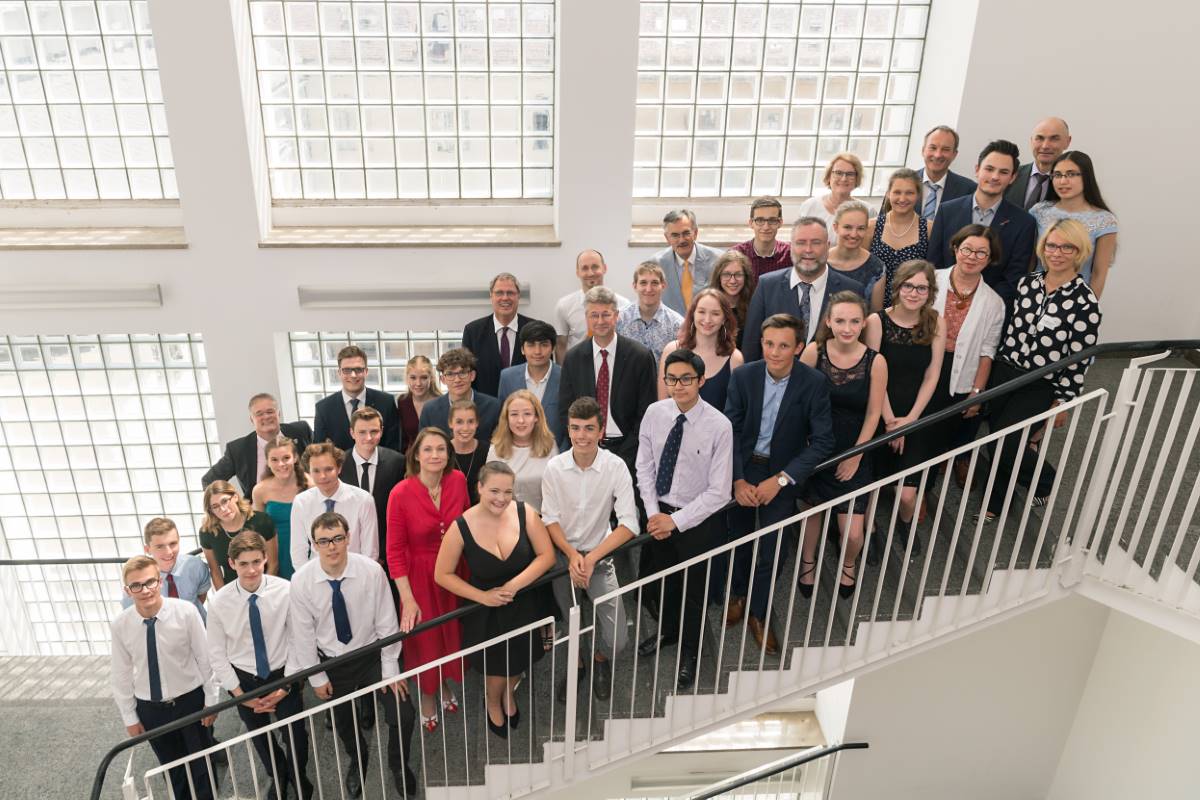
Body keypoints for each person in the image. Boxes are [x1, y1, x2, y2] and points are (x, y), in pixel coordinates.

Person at [286, 512, 417, 799]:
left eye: (337, 538)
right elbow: (302, 635)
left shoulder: (371, 571)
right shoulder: (301, 581)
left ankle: (398, 763)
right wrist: (317, 677)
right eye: (323, 541)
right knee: (343, 722)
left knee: (403, 712)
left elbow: (387, 622)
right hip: (331, 661)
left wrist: (390, 670)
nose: (331, 546)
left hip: (371, 653)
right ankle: (358, 759)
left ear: (348, 539)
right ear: (314, 544)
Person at [725, 314, 835, 655]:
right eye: (769, 343)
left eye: (784, 345)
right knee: (740, 542)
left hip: (782, 476)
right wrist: (737, 479)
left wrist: (782, 479)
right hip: (744, 470)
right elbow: (729, 430)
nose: (774, 352)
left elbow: (822, 442)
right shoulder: (744, 376)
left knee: (772, 552)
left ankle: (759, 613)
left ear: (799, 347)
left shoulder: (813, 382)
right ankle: (739, 595)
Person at [980, 219, 1101, 521]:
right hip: (1004, 372)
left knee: (1006, 444)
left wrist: (1063, 402)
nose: (1056, 253)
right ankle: (1004, 498)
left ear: (1079, 251)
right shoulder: (1027, 284)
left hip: (1039, 383)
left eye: (1066, 247)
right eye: (1051, 245)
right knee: (997, 438)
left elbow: (1078, 359)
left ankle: (1034, 484)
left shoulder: (1085, 302)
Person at [434, 462, 556, 738]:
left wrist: (514, 585)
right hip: (485, 612)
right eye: (494, 491)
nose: (501, 498)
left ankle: (509, 695)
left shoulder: (526, 513)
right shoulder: (460, 526)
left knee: (520, 658)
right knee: (495, 666)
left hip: (524, 603)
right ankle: (493, 702)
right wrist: (482, 597)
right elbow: (442, 574)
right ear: (479, 488)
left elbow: (546, 556)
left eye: (507, 492)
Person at [636, 349, 733, 690]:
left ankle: (690, 651)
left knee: (693, 592)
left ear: (701, 380)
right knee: (657, 586)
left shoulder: (719, 426)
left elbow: (719, 492)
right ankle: (669, 631)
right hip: (657, 514)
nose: (678, 386)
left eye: (686, 379)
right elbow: (644, 467)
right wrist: (653, 514)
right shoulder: (654, 413)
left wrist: (675, 522)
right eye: (672, 379)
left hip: (696, 522)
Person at [541, 396, 639, 702]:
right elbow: (550, 520)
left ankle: (599, 659)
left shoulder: (616, 466)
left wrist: (592, 558)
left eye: (588, 428)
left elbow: (629, 524)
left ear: (601, 432)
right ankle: (578, 665)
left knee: (618, 637)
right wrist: (572, 557)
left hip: (601, 554)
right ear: (568, 429)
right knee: (570, 623)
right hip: (563, 555)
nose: (581, 435)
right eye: (575, 428)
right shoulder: (555, 467)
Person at [207, 532, 312, 800]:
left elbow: (298, 638)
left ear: (266, 558)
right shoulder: (219, 602)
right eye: (243, 564)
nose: (251, 570)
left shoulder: (286, 590)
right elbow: (217, 654)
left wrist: (286, 686)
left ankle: (299, 778)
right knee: (260, 738)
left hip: (282, 674)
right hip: (245, 681)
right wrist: (241, 696)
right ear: (231, 564)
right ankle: (278, 777)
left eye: (256, 561)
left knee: (296, 735)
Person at [798, 293, 887, 599]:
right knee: (813, 512)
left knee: (853, 533)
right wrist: (806, 445)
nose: (846, 328)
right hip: (817, 446)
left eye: (853, 321)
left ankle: (848, 562)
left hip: (854, 449)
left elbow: (874, 412)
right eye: (839, 321)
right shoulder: (814, 352)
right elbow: (797, 402)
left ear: (863, 323)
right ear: (828, 322)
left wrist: (855, 457)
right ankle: (807, 562)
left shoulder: (876, 361)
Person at [110, 554, 218, 800]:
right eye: (136, 585)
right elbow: (121, 673)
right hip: (150, 709)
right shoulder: (121, 625)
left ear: (159, 582)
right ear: (127, 590)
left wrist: (212, 700)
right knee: (172, 769)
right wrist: (129, 716)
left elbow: (205, 658)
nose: (145, 590)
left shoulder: (186, 612)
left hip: (191, 700)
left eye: (150, 582)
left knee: (202, 764)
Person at [386, 427, 469, 733]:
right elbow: (394, 551)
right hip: (419, 578)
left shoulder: (458, 481)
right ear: (416, 455)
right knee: (426, 640)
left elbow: (467, 524)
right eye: (428, 450)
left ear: (448, 455)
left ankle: (445, 684)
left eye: (441, 450)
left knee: (450, 635)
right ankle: (428, 694)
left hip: (454, 573)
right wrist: (407, 598)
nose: (435, 455)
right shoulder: (400, 493)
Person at [864, 260, 946, 550]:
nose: (913, 292)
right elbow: (874, 375)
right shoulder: (876, 322)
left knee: (907, 495)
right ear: (897, 288)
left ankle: (906, 523)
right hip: (879, 411)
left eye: (921, 287)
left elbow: (932, 374)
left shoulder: (935, 321)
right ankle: (870, 531)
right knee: (872, 485)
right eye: (908, 285)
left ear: (930, 291)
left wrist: (910, 420)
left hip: (917, 415)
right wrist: (889, 423)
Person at [930, 225, 1006, 487]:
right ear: (955, 249)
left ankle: (958, 458)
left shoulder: (994, 302)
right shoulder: (930, 280)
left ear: (990, 258)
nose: (972, 257)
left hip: (965, 368)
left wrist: (977, 392)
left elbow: (987, 352)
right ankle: (928, 468)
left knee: (961, 418)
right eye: (967, 249)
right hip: (928, 362)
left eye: (981, 252)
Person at [558, 285, 658, 475]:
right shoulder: (573, 358)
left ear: (616, 315)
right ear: (587, 318)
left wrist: (626, 454)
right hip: (585, 448)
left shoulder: (640, 356)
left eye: (606, 314)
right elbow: (565, 410)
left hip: (629, 451)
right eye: (594, 315)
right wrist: (585, 446)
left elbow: (647, 412)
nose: (600, 321)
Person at [928, 139, 1038, 309]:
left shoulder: (1024, 222)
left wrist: (979, 304)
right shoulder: (947, 211)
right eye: (989, 169)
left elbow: (1014, 277)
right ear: (977, 169)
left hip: (989, 310)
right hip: (940, 304)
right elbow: (934, 263)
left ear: (1012, 177)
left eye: (1003, 172)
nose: (994, 177)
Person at [742, 217, 865, 361]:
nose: (808, 250)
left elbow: (857, 349)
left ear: (828, 246)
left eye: (816, 243)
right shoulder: (767, 285)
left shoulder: (852, 290)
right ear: (791, 246)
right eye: (801, 243)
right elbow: (751, 345)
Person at [1030, 151, 1118, 296]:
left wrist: (1088, 309)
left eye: (1071, 174)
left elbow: (1098, 274)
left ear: (1086, 177)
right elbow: (1030, 262)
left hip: (1076, 300)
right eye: (1057, 175)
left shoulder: (1104, 220)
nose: (1063, 181)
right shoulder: (1039, 211)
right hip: (1035, 295)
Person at [290, 442, 378, 571]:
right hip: (315, 576)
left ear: (339, 468)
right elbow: (298, 551)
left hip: (356, 574)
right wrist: (308, 580)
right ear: (309, 471)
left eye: (328, 469)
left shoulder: (363, 500)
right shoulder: (301, 502)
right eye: (316, 471)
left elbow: (370, 552)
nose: (323, 476)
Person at [202, 392, 312, 494]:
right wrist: (235, 505)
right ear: (251, 419)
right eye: (259, 414)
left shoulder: (300, 431)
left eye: (270, 411)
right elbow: (208, 481)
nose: (266, 417)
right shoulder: (238, 449)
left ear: (278, 413)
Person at [659, 288, 744, 412]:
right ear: (693, 314)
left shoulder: (735, 359)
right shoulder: (671, 350)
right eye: (701, 312)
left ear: (724, 318)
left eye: (715, 313)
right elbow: (662, 404)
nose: (707, 319)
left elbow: (736, 410)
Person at [339, 407, 405, 562]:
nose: (368, 437)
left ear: (381, 431)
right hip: (347, 551)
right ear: (352, 432)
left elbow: (397, 512)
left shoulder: (398, 462)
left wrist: (382, 552)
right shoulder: (338, 463)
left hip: (386, 550)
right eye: (362, 432)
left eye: (374, 431)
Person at [312, 345, 401, 452]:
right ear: (339, 373)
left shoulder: (386, 402)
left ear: (366, 371)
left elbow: (393, 447)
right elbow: (319, 451)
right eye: (347, 370)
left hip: (381, 467)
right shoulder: (323, 408)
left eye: (358, 369)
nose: (353, 375)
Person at [460, 272, 534, 397]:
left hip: (525, 409)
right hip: (486, 410)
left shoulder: (534, 329)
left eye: (510, 293)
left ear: (518, 296)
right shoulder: (472, 332)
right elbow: (466, 376)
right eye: (499, 293)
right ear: (491, 296)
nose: (505, 298)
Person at [122, 517, 210, 618]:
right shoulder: (136, 582)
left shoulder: (196, 566)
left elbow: (201, 596)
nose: (168, 552)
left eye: (173, 544)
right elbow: (132, 616)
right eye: (160, 546)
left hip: (198, 626)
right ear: (148, 549)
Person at [554, 249, 633, 362]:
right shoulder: (564, 306)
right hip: (578, 369)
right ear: (578, 272)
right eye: (585, 268)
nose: (590, 273)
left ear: (604, 268)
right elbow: (561, 345)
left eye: (595, 267)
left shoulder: (624, 305)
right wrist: (563, 375)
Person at [487, 389, 559, 513]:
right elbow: (490, 492)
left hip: (543, 520)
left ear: (537, 417)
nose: (521, 420)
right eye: (514, 414)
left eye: (527, 414)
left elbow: (557, 492)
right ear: (506, 418)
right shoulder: (496, 448)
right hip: (505, 520)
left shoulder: (550, 446)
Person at [868, 168, 930, 310]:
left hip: (911, 308)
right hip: (873, 307)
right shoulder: (871, 226)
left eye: (909, 193)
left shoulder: (928, 229)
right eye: (897, 192)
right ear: (888, 194)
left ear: (918, 195)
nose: (902, 199)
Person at [200, 480, 278, 590]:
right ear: (210, 510)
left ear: (235, 497)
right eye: (215, 506)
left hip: (266, 587)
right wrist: (223, 599)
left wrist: (264, 592)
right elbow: (215, 572)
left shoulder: (262, 521)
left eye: (225, 501)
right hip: (232, 592)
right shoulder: (207, 532)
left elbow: (273, 563)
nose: (223, 509)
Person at [252, 434, 310, 580]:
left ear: (295, 458)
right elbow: (258, 533)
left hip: (308, 551)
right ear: (268, 462)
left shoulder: (311, 485)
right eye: (274, 460)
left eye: (286, 458)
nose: (281, 464)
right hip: (277, 554)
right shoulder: (260, 490)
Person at [418, 348, 502, 445]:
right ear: (442, 379)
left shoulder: (494, 407)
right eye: (450, 374)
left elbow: (501, 446)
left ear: (472, 375)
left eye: (462, 373)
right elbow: (424, 446)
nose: (457, 380)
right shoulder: (430, 410)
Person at [498, 320, 563, 445]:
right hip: (516, 453)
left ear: (553, 348)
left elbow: (570, 423)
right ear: (522, 349)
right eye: (531, 345)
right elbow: (502, 421)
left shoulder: (566, 377)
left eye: (544, 345)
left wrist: (560, 458)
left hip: (556, 454)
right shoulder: (507, 377)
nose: (537, 351)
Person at [653, 209, 722, 316]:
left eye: (686, 233)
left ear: (695, 233)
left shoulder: (718, 260)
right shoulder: (655, 265)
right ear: (667, 238)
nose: (681, 240)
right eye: (675, 235)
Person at [797, 152, 872, 245]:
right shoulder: (809, 206)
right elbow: (799, 244)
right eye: (838, 173)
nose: (844, 179)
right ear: (829, 176)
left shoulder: (868, 211)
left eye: (850, 174)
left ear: (857, 178)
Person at [617, 261, 685, 362]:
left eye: (654, 283)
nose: (648, 289)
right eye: (643, 283)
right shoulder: (619, 319)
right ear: (635, 286)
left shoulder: (677, 324)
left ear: (663, 285)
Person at [1006, 117, 1072, 210]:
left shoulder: (1073, 185)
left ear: (1067, 142)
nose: (1045, 146)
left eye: (1054, 139)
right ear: (1031, 141)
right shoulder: (1010, 175)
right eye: (1040, 138)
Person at [915, 125, 977, 220]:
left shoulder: (968, 190)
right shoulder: (902, 183)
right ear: (923, 150)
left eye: (945, 149)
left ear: (954, 155)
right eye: (933, 148)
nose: (938, 155)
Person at [828, 200, 886, 293]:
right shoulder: (821, 262)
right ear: (835, 227)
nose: (854, 234)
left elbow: (876, 307)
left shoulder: (876, 267)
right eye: (847, 227)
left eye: (860, 228)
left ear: (866, 229)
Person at [730, 196, 791, 278]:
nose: (766, 227)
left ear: (780, 223)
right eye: (760, 220)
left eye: (772, 220)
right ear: (751, 223)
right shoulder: (736, 254)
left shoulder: (790, 255)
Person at [708, 250, 756, 352]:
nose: (733, 280)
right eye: (726, 274)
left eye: (738, 274)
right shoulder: (708, 305)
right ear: (719, 277)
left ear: (746, 277)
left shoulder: (755, 307)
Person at [396, 355, 441, 452]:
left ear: (431, 378)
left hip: (438, 458)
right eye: (413, 378)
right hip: (411, 460)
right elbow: (402, 440)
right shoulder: (402, 402)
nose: (418, 383)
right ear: (407, 378)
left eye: (424, 377)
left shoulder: (442, 402)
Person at [448, 399, 485, 505]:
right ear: (450, 423)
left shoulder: (489, 451)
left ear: (477, 423)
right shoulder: (442, 451)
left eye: (470, 422)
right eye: (459, 422)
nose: (465, 428)